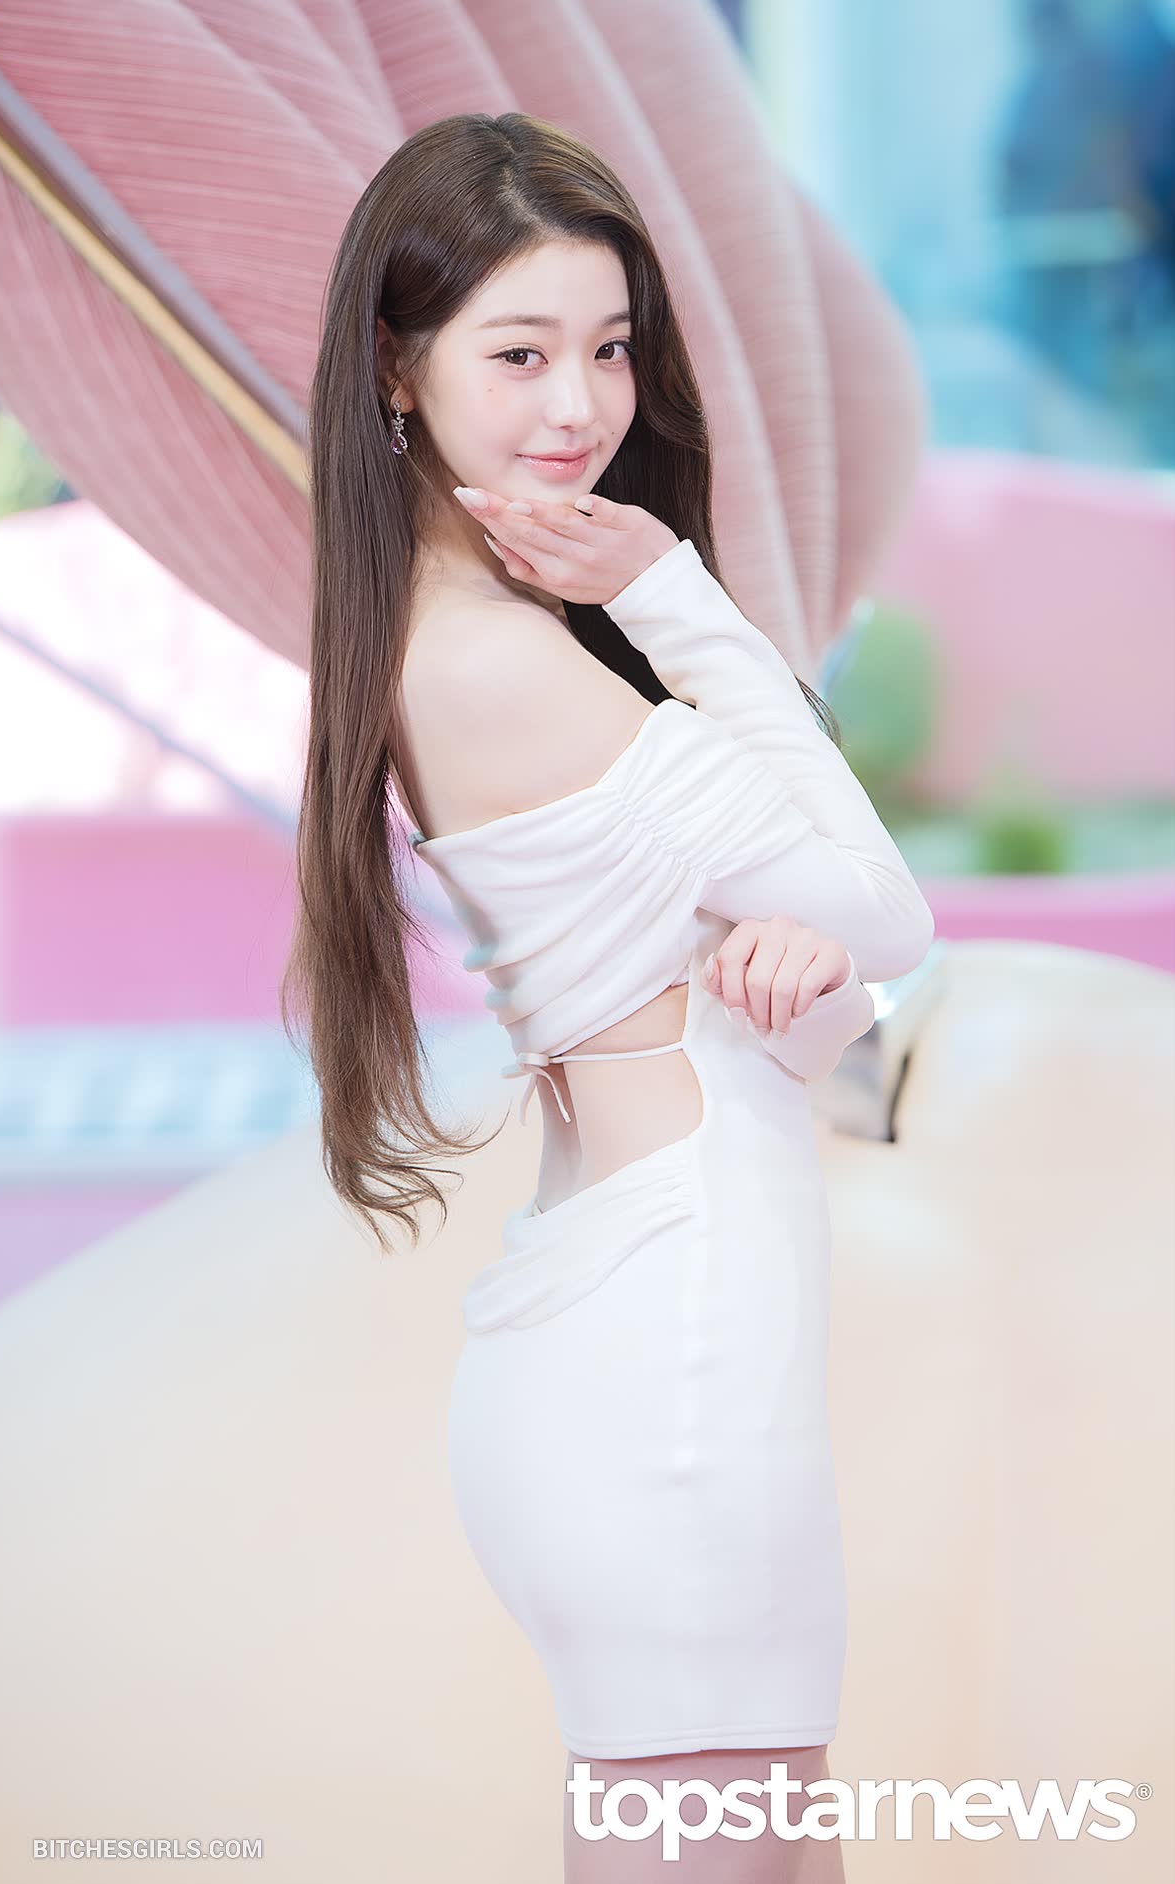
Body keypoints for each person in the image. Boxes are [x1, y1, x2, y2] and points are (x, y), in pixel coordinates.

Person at [285, 111, 935, 1880]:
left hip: (647, 1324)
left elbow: (829, 1000)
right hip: (676, 1355)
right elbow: (888, 909)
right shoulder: (505, 662)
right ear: (397, 369)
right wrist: (671, 590)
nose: (578, 406)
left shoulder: (448, 627)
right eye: (519, 354)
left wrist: (792, 982)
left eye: (611, 346)